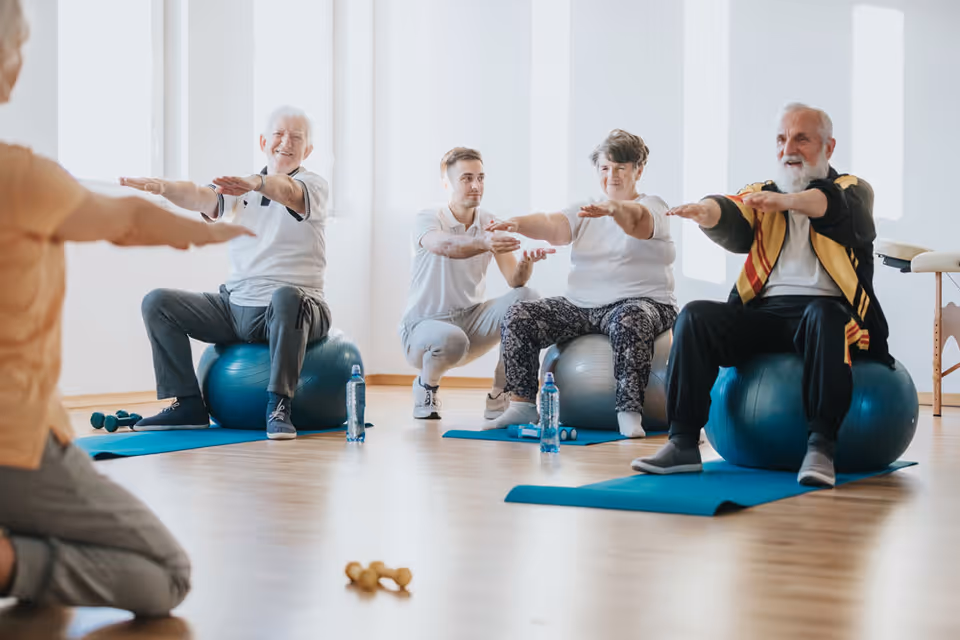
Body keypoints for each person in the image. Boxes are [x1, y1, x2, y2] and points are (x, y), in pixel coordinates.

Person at [0, 0, 252, 614]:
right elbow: (127, 219)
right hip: (14, 440)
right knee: (168, 573)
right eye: (20, 48)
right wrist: (209, 231)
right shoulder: (19, 176)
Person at [633, 103, 891, 487]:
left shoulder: (852, 188)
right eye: (782, 139)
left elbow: (832, 206)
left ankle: (820, 448)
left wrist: (787, 202)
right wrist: (706, 212)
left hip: (829, 316)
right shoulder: (763, 193)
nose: (790, 148)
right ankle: (683, 443)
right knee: (696, 316)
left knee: (825, 315)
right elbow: (735, 211)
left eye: (801, 139)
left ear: (829, 147)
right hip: (766, 314)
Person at [121, 106, 331, 440]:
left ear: (307, 150)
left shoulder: (314, 186)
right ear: (264, 140)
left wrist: (257, 182)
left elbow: (288, 192)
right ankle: (188, 405)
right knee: (158, 302)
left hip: (299, 309)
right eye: (278, 133)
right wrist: (165, 188)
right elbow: (202, 197)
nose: (285, 142)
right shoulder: (241, 188)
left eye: (296, 137)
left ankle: (279, 404)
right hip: (236, 308)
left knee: (286, 296)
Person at [486, 129, 678, 438]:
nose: (611, 175)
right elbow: (553, 224)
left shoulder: (654, 205)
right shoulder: (587, 208)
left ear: (638, 170)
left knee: (631, 319)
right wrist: (518, 223)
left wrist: (614, 209)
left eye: (620, 168)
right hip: (582, 305)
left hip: (644, 302)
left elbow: (637, 223)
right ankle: (522, 404)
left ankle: (629, 412)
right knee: (520, 315)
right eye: (605, 168)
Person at [400, 147, 551, 419]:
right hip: (423, 330)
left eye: (480, 178)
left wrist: (526, 264)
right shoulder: (429, 217)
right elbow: (444, 245)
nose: (475, 186)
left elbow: (514, 281)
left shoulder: (489, 222)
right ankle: (425, 386)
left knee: (528, 298)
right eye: (466, 178)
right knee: (451, 338)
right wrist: (483, 242)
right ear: (446, 183)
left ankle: (500, 392)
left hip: (470, 323)